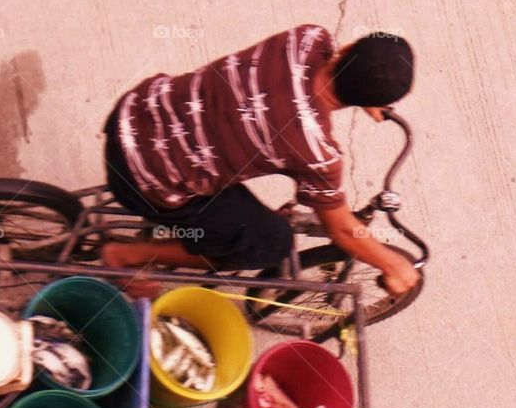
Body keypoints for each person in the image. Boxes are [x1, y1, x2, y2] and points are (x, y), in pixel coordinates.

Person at [101, 24, 420, 298]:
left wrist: (365, 86)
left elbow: (328, 74)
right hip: (141, 183)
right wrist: (395, 265)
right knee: (271, 243)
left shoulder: (306, 40)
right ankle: (126, 255)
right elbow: (341, 230)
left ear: (347, 47)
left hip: (132, 112)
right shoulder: (318, 153)